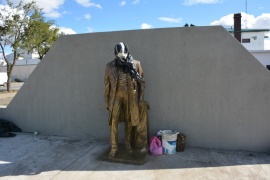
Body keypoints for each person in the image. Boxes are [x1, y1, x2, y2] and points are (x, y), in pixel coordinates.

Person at [104, 42, 145, 158]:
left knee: (129, 121)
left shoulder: (136, 64)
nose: (121, 55)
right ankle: (114, 147)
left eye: (123, 53)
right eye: (119, 53)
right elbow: (106, 84)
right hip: (115, 97)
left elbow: (141, 82)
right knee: (114, 122)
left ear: (127, 51)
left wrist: (140, 98)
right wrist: (107, 101)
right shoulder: (110, 66)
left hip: (130, 97)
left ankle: (127, 144)